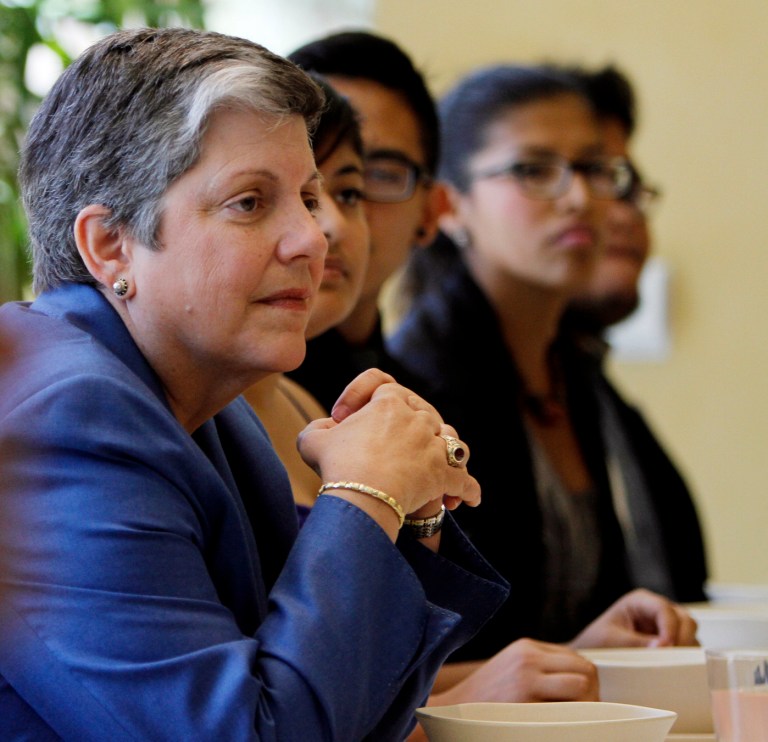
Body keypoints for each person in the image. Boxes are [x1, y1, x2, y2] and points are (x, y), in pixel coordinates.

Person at [0, 27, 515, 740]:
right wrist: (366, 494)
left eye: (307, 196)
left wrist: (415, 504)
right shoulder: (60, 423)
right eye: (249, 202)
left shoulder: (206, 405)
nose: (314, 236)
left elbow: (348, 712)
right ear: (110, 244)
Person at [282, 32, 698, 719]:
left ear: (428, 208)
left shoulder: (556, 374)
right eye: (534, 170)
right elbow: (273, 691)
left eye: (359, 183)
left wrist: (576, 655)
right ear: (456, 206)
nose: (321, 221)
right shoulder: (267, 394)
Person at [388, 62, 708, 665]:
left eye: (593, 168)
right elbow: (408, 648)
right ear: (449, 206)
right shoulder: (417, 387)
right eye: (533, 170)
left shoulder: (573, 370)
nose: (580, 198)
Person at [285, 31, 444, 412]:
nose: (327, 219)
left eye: (376, 175)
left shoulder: (433, 411)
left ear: (431, 212)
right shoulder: (219, 393)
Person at [244, 75, 370, 513]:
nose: (324, 228)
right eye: (253, 200)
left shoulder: (303, 404)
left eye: (348, 192)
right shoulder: (186, 415)